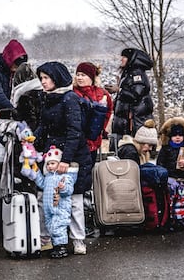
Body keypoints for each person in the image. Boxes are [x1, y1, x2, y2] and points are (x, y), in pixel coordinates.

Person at [35, 61, 92, 255]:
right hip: (52, 154)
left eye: (46, 78)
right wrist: (31, 143)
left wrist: (66, 160)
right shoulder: (47, 98)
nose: (42, 82)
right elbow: (44, 127)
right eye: (41, 78)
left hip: (73, 157)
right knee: (45, 198)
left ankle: (78, 240)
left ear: (56, 78)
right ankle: (49, 238)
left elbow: (74, 131)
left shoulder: (70, 99)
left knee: (74, 199)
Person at [34, 146, 78, 258]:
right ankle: (56, 245)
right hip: (49, 208)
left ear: (59, 164)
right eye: (48, 164)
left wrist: (63, 188)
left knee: (59, 226)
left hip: (60, 207)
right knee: (51, 227)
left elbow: (69, 190)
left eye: (52, 163)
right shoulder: (48, 177)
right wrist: (36, 173)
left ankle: (61, 247)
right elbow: (42, 184)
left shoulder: (64, 177)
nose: (49, 166)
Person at [107, 48, 154, 151]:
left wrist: (118, 90)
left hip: (132, 122)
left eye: (124, 57)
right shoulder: (129, 73)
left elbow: (135, 95)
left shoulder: (137, 74)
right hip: (125, 122)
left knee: (129, 150)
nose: (121, 59)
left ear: (131, 59)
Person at [73, 62, 113, 165]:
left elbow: (108, 112)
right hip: (77, 141)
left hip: (94, 141)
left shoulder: (102, 94)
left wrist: (101, 128)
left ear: (92, 77)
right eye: (78, 75)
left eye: (83, 75)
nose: (79, 78)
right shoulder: (72, 93)